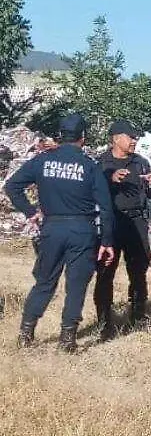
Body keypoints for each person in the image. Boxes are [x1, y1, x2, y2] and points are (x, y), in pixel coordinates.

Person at [5, 114, 115, 352]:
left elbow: (11, 186)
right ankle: (67, 340)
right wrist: (107, 240)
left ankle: (26, 332)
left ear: (60, 135)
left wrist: (30, 211)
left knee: (44, 282)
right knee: (76, 285)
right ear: (83, 138)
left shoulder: (43, 161)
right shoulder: (89, 166)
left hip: (52, 228)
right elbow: (106, 207)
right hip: (82, 230)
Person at [94, 119, 151, 340]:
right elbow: (89, 193)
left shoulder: (140, 162)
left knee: (138, 271)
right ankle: (104, 321)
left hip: (137, 223)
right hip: (110, 223)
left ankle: (138, 315)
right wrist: (109, 179)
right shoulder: (101, 163)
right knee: (105, 273)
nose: (134, 141)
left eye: (135, 137)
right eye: (130, 137)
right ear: (115, 138)